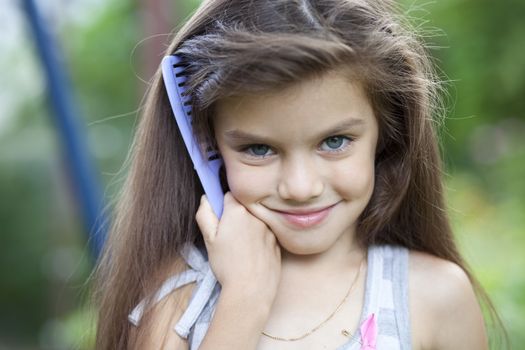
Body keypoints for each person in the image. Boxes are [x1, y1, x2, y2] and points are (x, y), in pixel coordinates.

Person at [92, 0, 505, 349]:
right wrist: (245, 300)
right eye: (258, 149)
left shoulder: (435, 296)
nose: (301, 187)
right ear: (209, 147)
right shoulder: (179, 300)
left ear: (386, 135)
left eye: (335, 141)